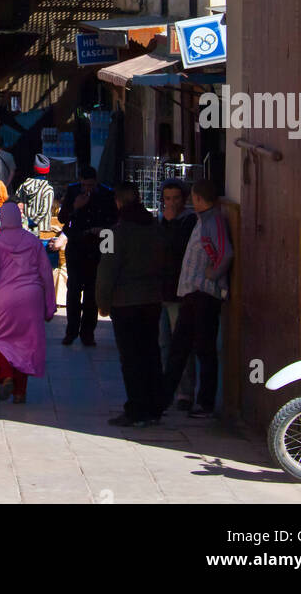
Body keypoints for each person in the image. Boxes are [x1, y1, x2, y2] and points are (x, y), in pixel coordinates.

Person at [161, 179, 233, 418]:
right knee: (179, 347)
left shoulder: (214, 221)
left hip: (205, 294)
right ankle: (163, 397)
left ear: (198, 198)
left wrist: (212, 274)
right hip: (191, 294)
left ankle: (205, 402)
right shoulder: (203, 219)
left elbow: (225, 253)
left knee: (204, 349)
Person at [96, 182, 166, 428]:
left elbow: (106, 272)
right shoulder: (155, 228)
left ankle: (136, 409)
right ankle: (155, 407)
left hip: (125, 303)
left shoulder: (113, 233)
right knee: (151, 353)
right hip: (152, 300)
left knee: (131, 357)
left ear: (118, 203)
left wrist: (102, 303)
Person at [0, 201, 56, 404]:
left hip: (4, 300)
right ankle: (20, 392)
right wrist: (50, 304)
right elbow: (46, 274)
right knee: (26, 346)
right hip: (31, 298)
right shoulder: (33, 241)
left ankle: (6, 375)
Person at [57, 165, 117, 345]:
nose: (87, 189)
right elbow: (62, 219)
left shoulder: (106, 194)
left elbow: (113, 223)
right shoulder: (73, 191)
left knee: (92, 292)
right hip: (77, 246)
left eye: (91, 186)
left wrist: (108, 251)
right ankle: (71, 331)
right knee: (74, 290)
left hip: (98, 247)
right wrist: (75, 207)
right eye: (84, 185)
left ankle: (88, 332)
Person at [159, 178, 197, 411]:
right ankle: (168, 388)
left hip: (180, 293)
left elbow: (177, 251)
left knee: (181, 345)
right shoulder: (161, 222)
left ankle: (185, 393)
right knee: (164, 343)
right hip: (161, 291)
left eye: (175, 198)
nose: (171, 203)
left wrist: (170, 223)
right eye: (167, 199)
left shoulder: (189, 222)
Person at [14, 154, 55, 235]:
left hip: (25, 230)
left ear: (34, 169)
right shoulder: (48, 189)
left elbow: (15, 203)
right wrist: (33, 222)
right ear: (47, 171)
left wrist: (27, 222)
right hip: (42, 231)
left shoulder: (23, 186)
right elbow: (44, 211)